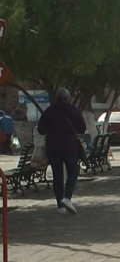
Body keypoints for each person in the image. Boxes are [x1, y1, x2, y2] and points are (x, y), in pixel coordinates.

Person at [36, 87, 86, 215]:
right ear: (68, 98)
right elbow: (82, 128)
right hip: (70, 147)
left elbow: (41, 129)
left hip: (53, 148)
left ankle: (60, 206)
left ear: (57, 98)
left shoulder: (49, 111)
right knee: (73, 172)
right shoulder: (73, 110)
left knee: (57, 176)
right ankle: (67, 198)